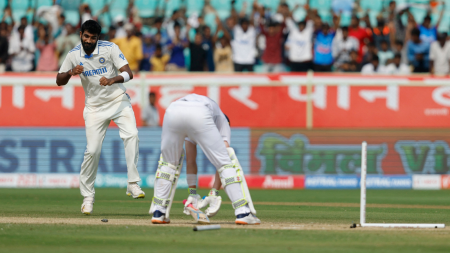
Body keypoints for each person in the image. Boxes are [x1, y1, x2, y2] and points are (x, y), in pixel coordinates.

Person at [56, 20, 145, 215]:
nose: (88, 41)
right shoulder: (73, 54)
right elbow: (58, 81)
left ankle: (132, 183)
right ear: (81, 34)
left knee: (132, 135)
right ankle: (88, 197)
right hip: (94, 108)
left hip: (118, 100)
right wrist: (71, 72)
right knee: (93, 151)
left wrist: (113, 80)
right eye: (86, 36)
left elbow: (129, 74)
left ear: (98, 38)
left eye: (93, 38)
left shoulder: (110, 48)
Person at [149, 94, 260, 225]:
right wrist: (214, 192)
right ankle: (243, 212)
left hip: (172, 111)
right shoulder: (223, 121)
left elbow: (191, 160)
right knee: (226, 163)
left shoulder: (206, 112)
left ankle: (159, 212)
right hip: (198, 112)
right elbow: (222, 163)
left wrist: (193, 193)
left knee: (169, 164)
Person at [183, 114, 232, 218]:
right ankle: (194, 195)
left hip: (216, 121)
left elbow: (223, 158)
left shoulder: (220, 122)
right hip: (196, 122)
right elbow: (190, 161)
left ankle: (213, 194)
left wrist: (214, 192)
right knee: (190, 158)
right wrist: (192, 193)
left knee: (223, 156)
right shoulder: (189, 125)